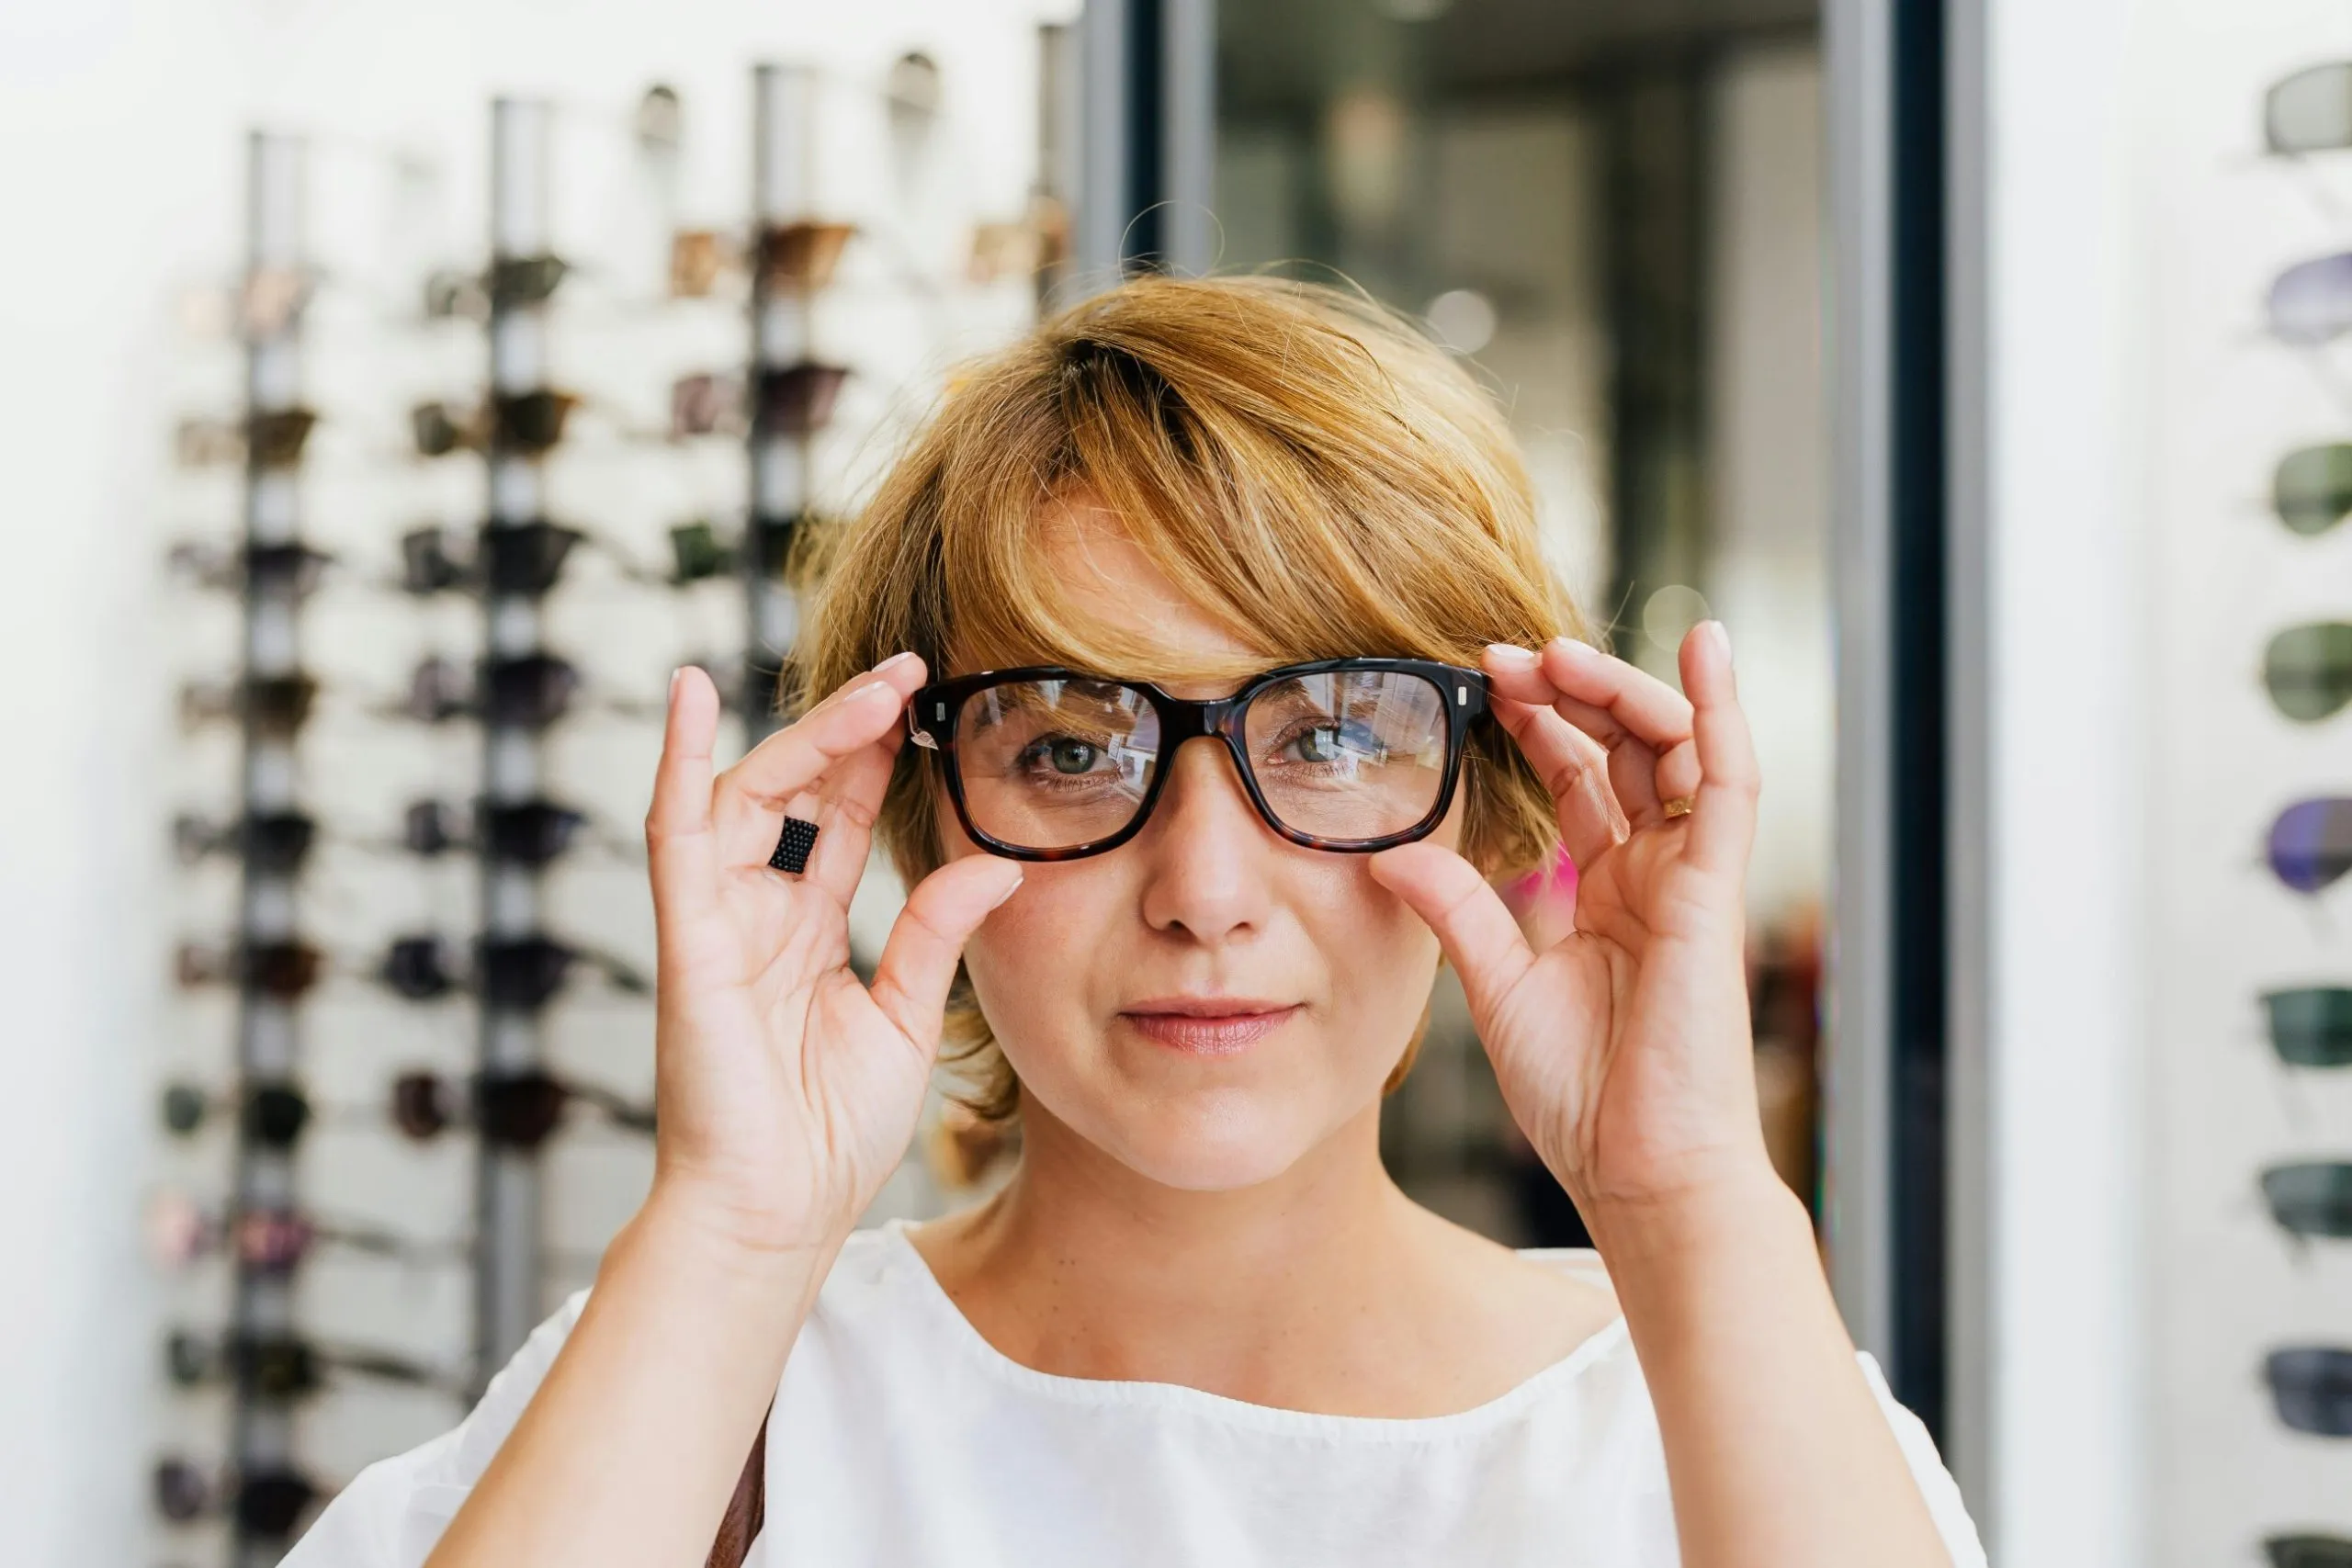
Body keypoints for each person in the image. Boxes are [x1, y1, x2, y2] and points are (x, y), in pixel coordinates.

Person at [282, 276, 1984, 1567]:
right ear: (918, 801)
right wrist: (733, 1225)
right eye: (1073, 747)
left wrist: (1692, 1200)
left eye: (1325, 739)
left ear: (1496, 787)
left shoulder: (1713, 1409)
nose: (1205, 891)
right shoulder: (689, 1393)